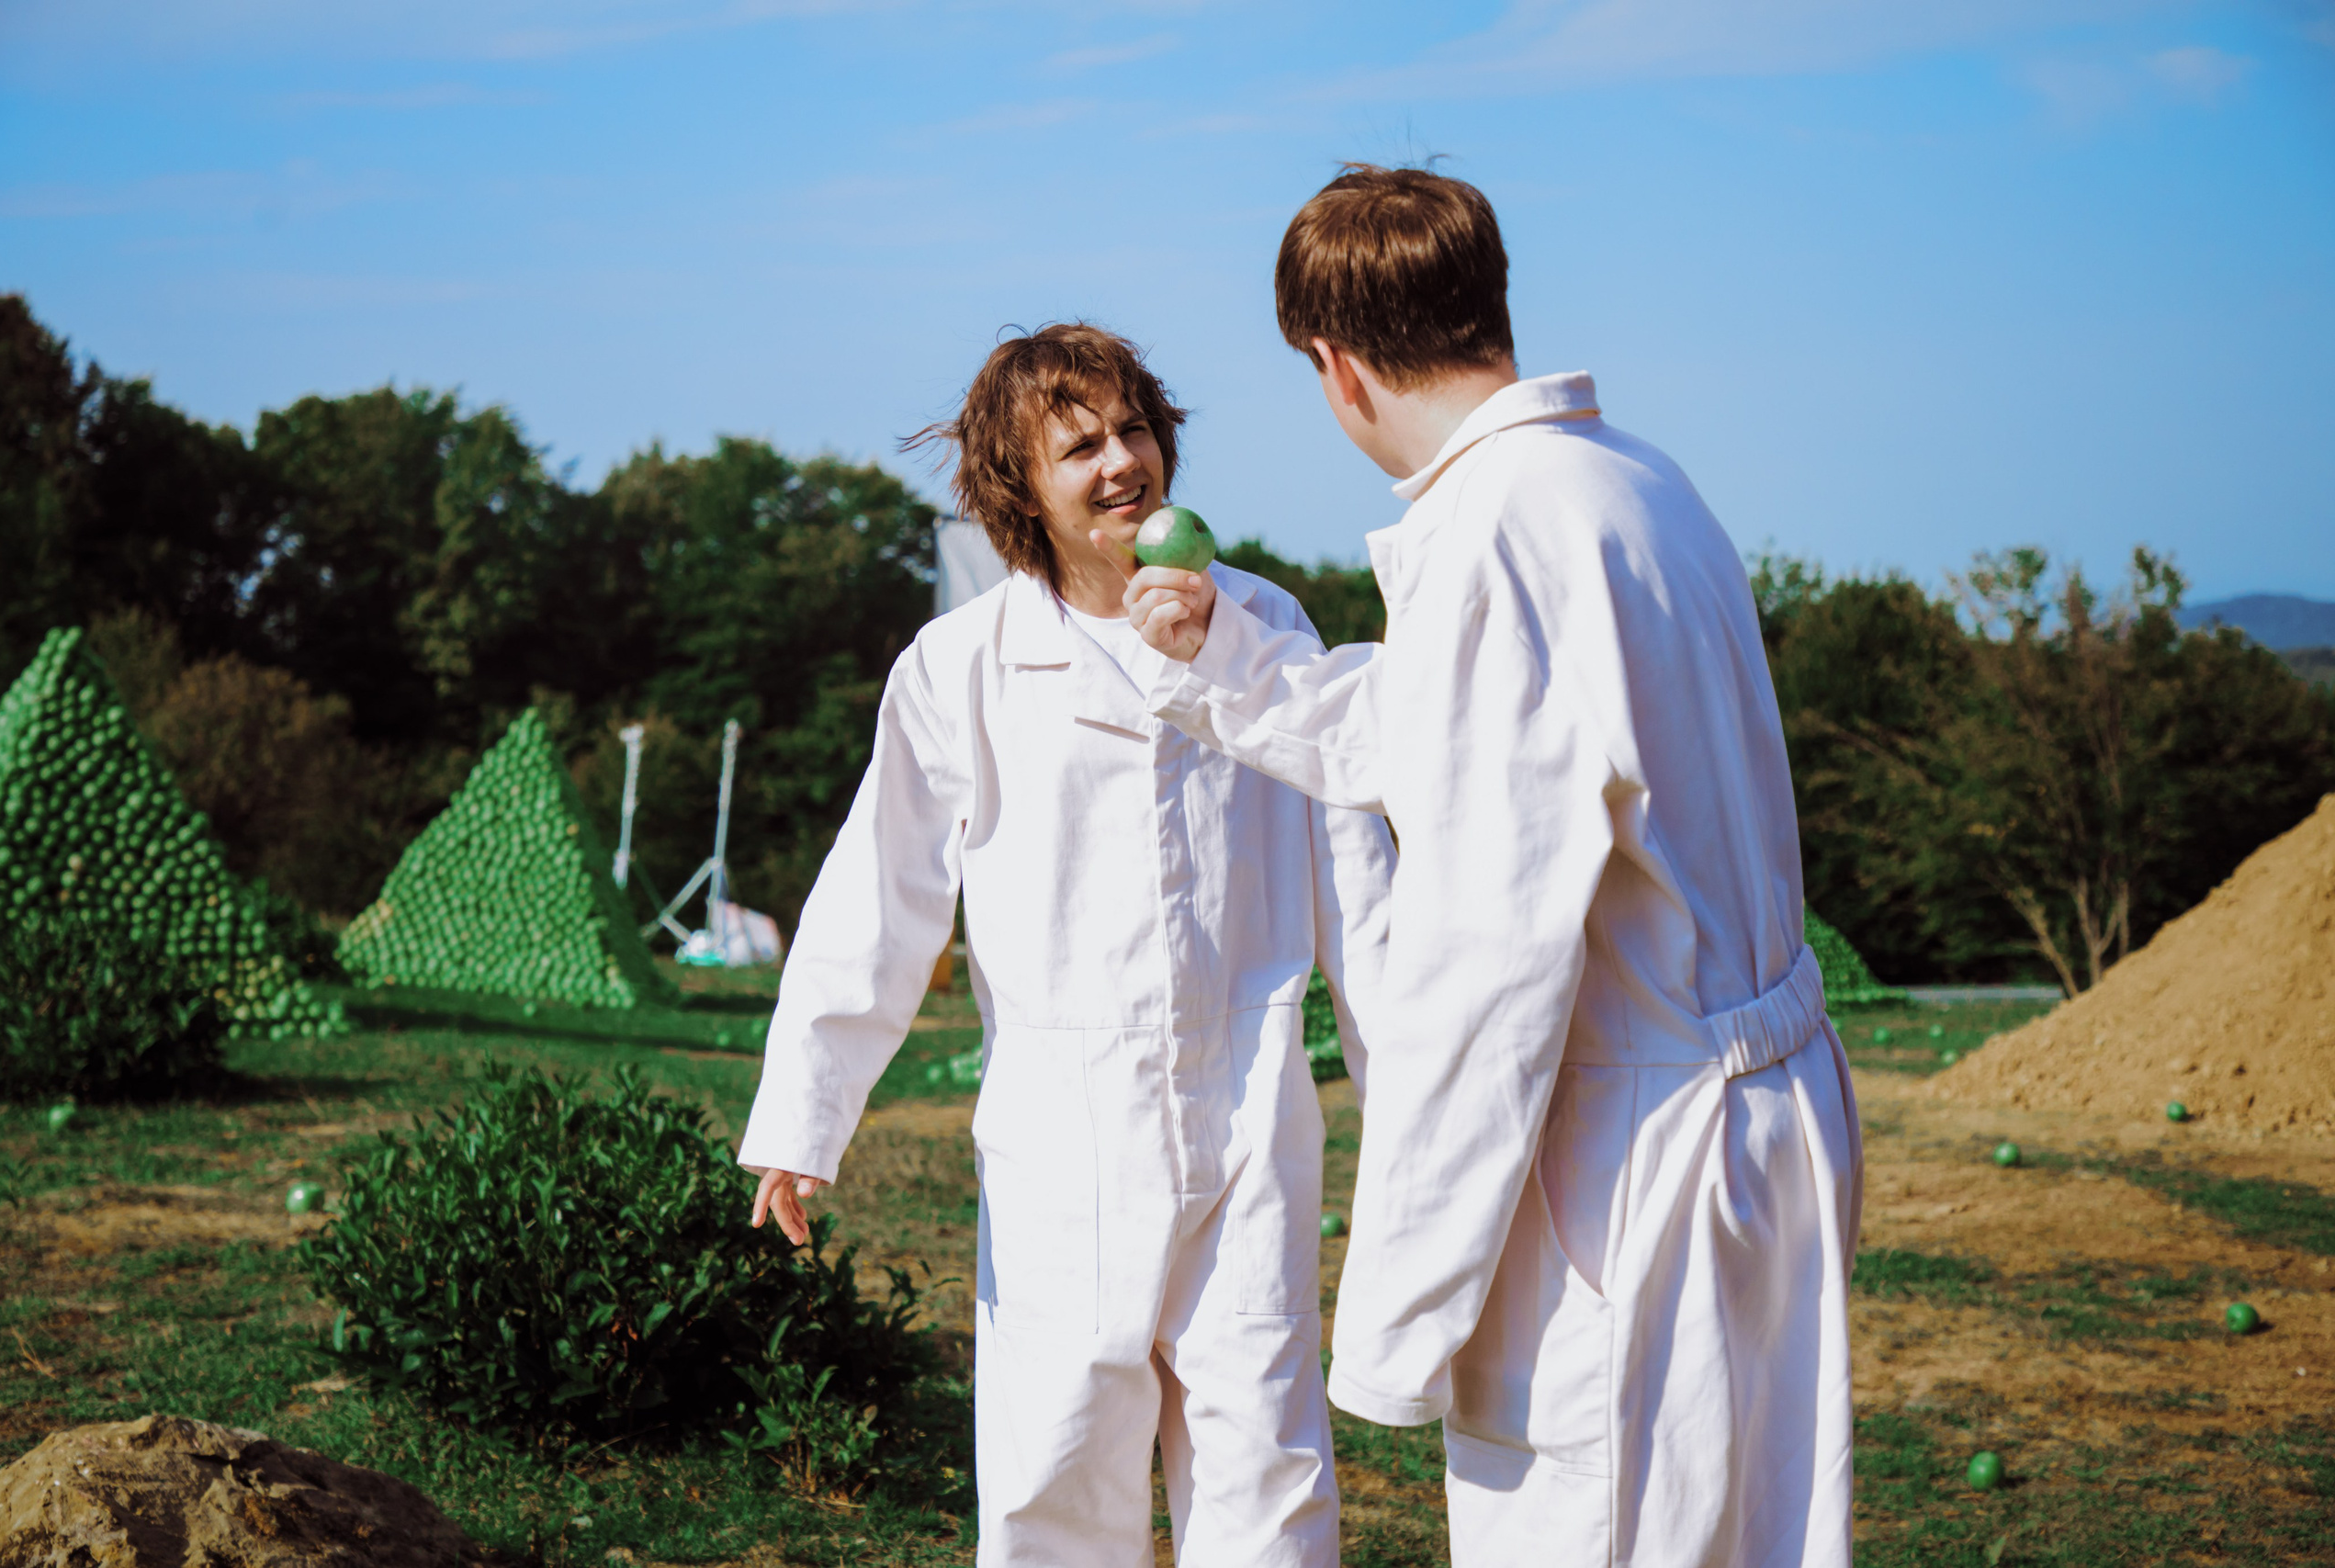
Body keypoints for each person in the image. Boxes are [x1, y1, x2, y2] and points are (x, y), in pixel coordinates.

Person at [1117, 167, 1863, 1566]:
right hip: (1764, 1118)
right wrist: (1226, 660)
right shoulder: (1634, 481)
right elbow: (1443, 727)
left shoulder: (1493, 534)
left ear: (1335, 368)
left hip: (1633, 1164)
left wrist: (1397, 1317)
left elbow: (1488, 962)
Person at [739, 322, 1396, 1567]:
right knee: (1057, 1473)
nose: (1122, 462)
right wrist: (803, 1120)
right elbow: (878, 897)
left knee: (1268, 1472)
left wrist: (1417, 1097)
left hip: (1253, 1106)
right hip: (1060, 1129)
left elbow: (1358, 884)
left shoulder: (1263, 622)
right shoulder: (962, 666)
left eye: (1135, 429)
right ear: (1020, 490)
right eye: (1080, 445)